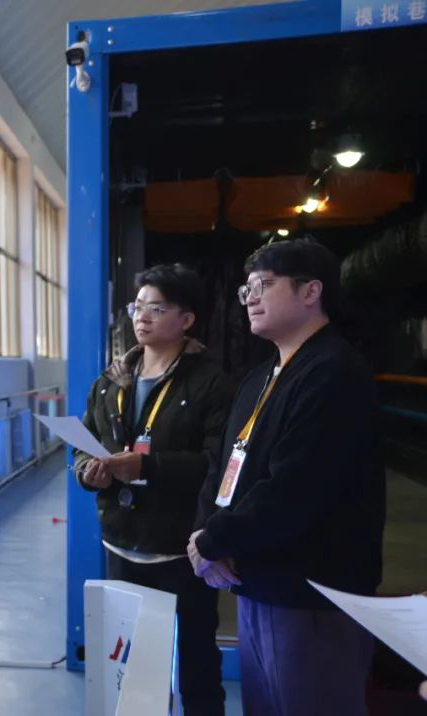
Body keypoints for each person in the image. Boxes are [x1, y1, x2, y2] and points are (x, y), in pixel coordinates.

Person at [189, 239, 386, 716]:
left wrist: (214, 540)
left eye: (263, 285)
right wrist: (204, 533)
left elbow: (297, 487)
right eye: (246, 290)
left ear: (310, 292)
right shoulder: (262, 376)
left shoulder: (334, 372)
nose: (250, 298)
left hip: (311, 594)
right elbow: (222, 465)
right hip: (257, 580)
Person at [75, 263, 234, 716]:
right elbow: (85, 442)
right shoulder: (112, 380)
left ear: (186, 319)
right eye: (137, 306)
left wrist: (148, 466)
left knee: (196, 665)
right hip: (122, 542)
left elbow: (218, 465)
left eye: (157, 308)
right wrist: (88, 470)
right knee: (131, 668)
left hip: (180, 549)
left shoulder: (211, 384)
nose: (141, 317)